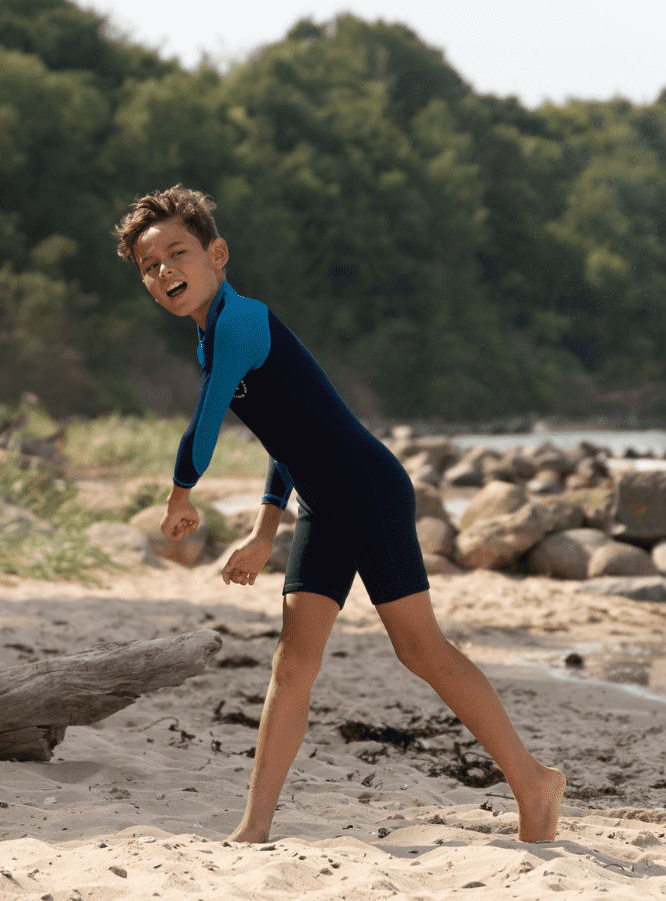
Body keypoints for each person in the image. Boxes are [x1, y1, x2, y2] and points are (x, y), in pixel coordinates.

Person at [115, 185, 565, 844]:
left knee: (419, 648)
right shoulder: (212, 339)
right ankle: (253, 827)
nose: (164, 272)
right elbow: (287, 439)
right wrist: (264, 529)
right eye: (149, 266)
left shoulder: (241, 322)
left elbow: (203, 427)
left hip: (366, 489)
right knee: (293, 662)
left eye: (176, 253)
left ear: (217, 253)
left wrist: (181, 493)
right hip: (324, 500)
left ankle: (533, 781)